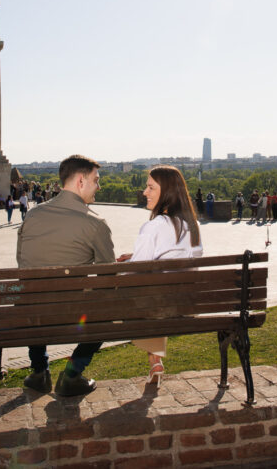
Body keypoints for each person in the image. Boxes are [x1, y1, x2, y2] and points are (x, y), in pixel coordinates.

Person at [17, 155, 115, 397]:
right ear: (81, 181)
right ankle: (72, 374)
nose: (99, 187)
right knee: (108, 313)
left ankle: (39, 372)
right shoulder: (95, 223)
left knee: (35, 295)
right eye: (96, 180)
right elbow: (109, 278)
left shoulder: (32, 215)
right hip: (72, 314)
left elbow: (22, 262)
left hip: (33, 312)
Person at [116, 165, 203, 387]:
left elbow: (135, 274)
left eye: (150, 187)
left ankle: (76, 363)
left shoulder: (154, 226)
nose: (145, 192)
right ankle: (155, 361)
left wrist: (119, 271)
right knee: (156, 293)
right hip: (186, 306)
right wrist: (137, 257)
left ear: (167, 192)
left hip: (160, 308)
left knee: (139, 294)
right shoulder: (192, 226)